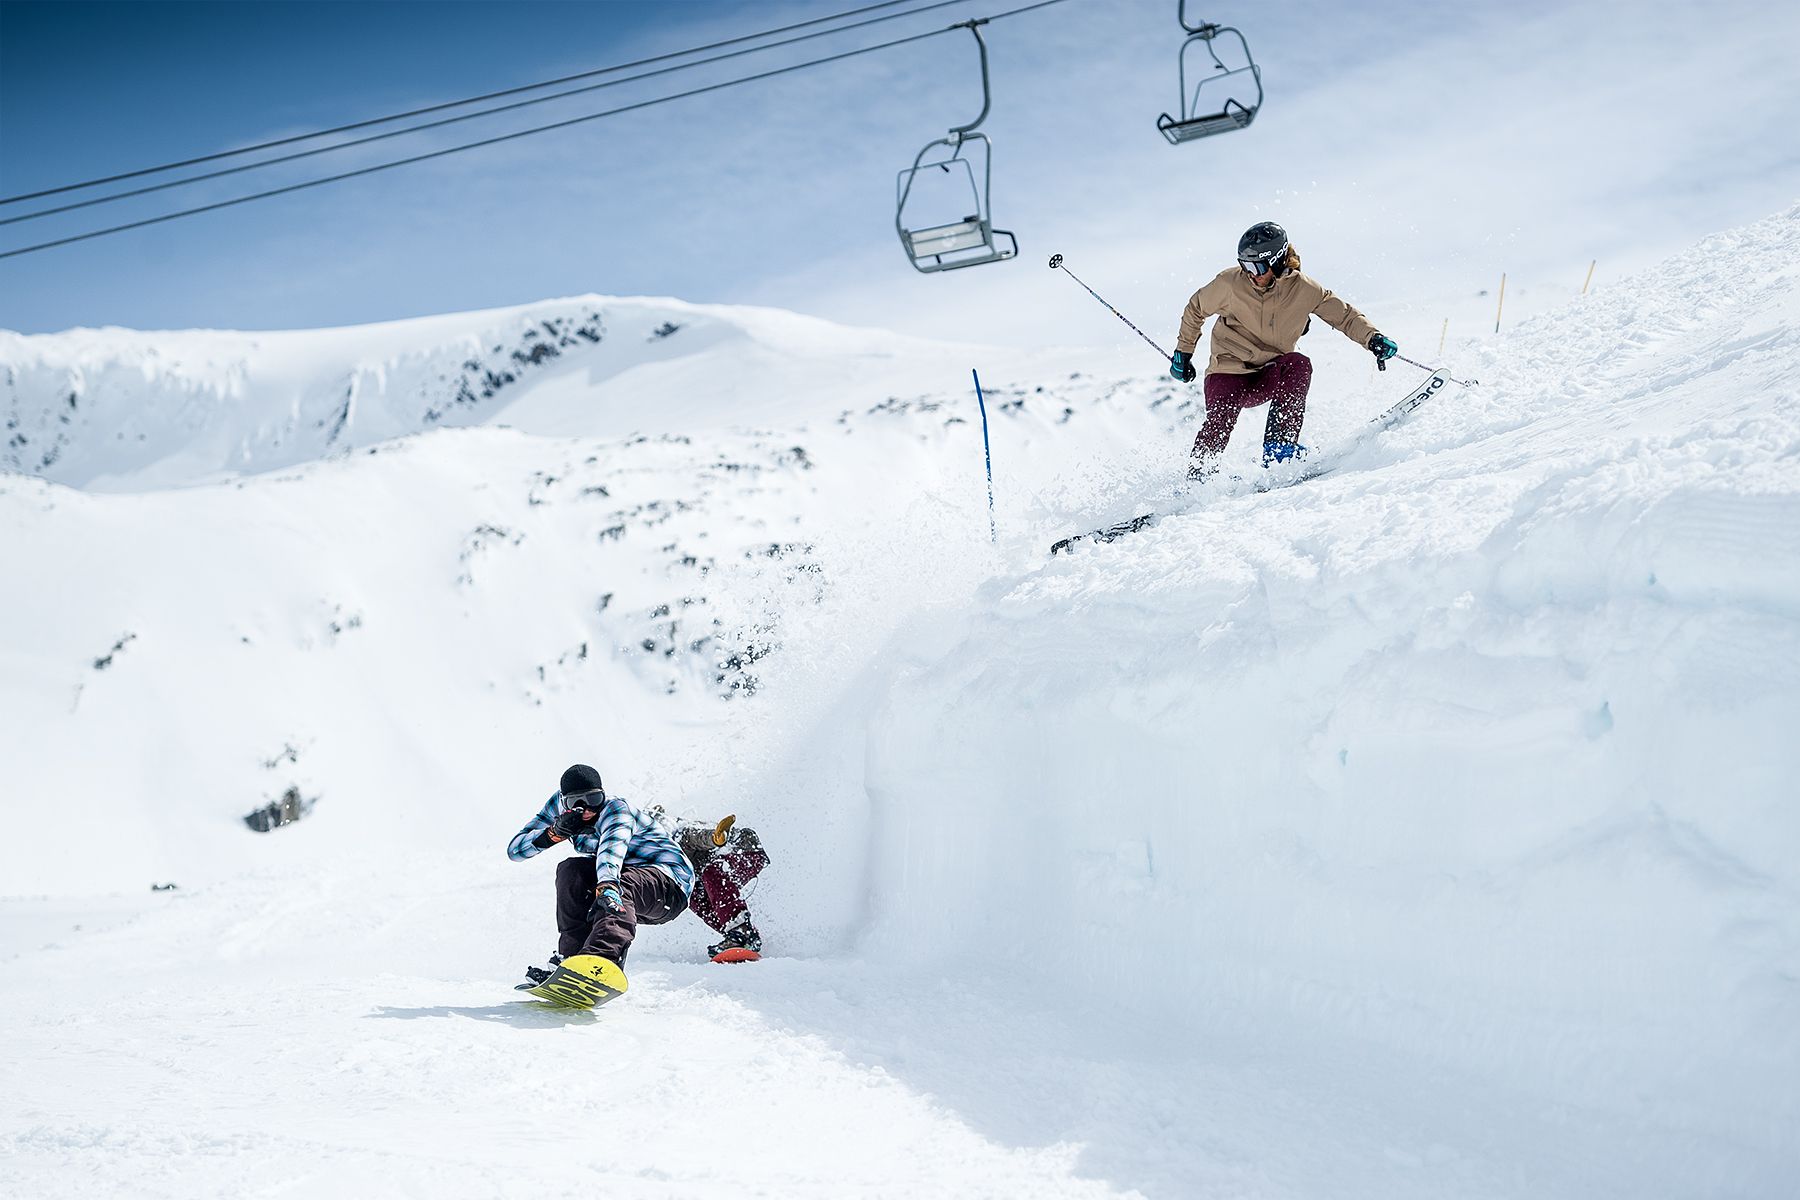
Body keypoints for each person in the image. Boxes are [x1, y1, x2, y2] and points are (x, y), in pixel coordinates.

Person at [1169, 221, 1398, 475]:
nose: (1250, 273)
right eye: (1244, 265)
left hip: (1268, 371)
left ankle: (1279, 450)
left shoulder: (1305, 290)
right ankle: (1197, 477)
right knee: (1221, 418)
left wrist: (1373, 338)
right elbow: (1195, 308)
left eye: (1256, 266)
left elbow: (1344, 316)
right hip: (1228, 368)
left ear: (1277, 261)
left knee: (1298, 363)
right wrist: (1184, 352)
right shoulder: (1230, 283)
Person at [507, 763, 694, 989]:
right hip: (626, 886)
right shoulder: (557, 806)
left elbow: (610, 854)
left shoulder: (616, 810)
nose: (585, 809)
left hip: (668, 885)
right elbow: (515, 850)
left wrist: (607, 884)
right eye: (575, 803)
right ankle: (571, 961)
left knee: (618, 885)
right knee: (571, 871)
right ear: (564, 802)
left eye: (593, 800)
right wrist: (553, 833)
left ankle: (602, 960)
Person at [673, 814, 770, 961]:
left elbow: (698, 836)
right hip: (714, 868)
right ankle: (739, 935)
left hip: (744, 850)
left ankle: (740, 930)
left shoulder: (679, 834)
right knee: (689, 894)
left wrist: (715, 838)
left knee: (711, 871)